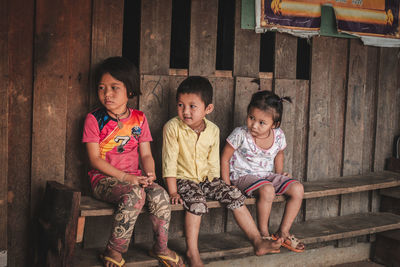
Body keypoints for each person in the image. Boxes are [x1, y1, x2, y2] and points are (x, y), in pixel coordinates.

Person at [162, 76, 283, 267]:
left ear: (208, 109)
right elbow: (169, 161)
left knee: (234, 195)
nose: (185, 111)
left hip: (208, 179)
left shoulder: (213, 130)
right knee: (196, 202)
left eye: (192, 106)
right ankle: (192, 252)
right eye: (180, 105)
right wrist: (173, 191)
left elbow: (213, 163)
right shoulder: (172, 128)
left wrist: (219, 185)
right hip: (182, 179)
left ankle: (258, 240)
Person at [82, 57, 184, 267]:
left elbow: (146, 154)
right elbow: (94, 159)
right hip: (104, 180)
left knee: (160, 195)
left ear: (129, 90)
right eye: (102, 87)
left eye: (114, 87)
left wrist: (150, 174)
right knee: (134, 194)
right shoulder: (94, 119)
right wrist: (126, 178)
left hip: (135, 178)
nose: (107, 93)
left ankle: (161, 247)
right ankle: (114, 249)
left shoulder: (139, 118)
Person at [221, 90, 305, 253]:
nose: (253, 125)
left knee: (297, 188)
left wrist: (280, 174)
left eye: (261, 122)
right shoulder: (240, 134)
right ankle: (264, 234)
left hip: (266, 176)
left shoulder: (279, 135)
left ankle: (284, 231)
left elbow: (279, 153)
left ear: (274, 124)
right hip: (242, 176)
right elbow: (224, 158)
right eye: (251, 118)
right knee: (267, 189)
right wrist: (227, 185)